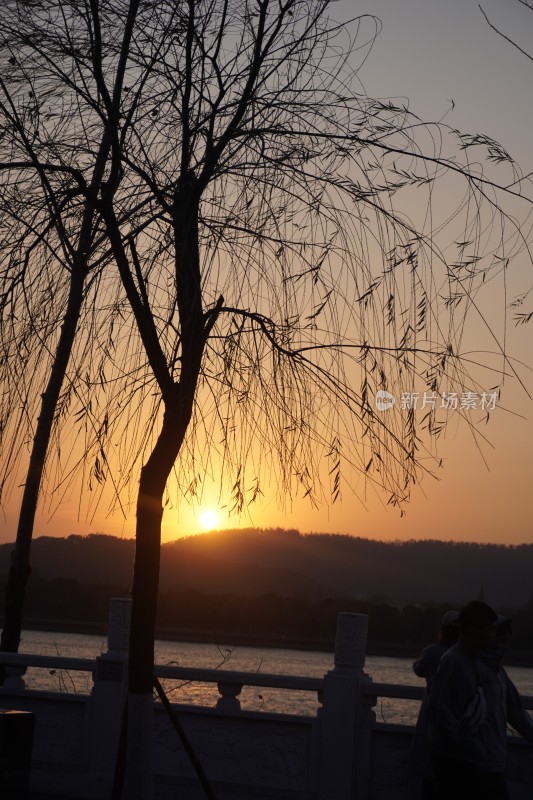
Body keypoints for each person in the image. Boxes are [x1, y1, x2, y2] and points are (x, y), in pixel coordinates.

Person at [426, 600, 533, 800]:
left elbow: (516, 711)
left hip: (491, 763)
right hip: (470, 765)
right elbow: (437, 710)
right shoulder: (457, 662)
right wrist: (465, 745)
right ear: (477, 630)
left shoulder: (498, 673)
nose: (499, 641)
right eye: (494, 633)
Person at [409, 610, 460, 797]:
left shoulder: (432, 652)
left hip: (432, 717)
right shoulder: (465, 656)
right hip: (457, 721)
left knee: (430, 777)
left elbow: (418, 668)